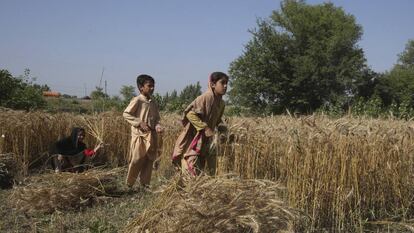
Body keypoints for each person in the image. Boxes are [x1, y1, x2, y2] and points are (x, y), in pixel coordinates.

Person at [172, 72, 229, 176]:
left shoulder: (221, 103)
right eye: (222, 83)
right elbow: (190, 113)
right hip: (194, 137)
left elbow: (217, 120)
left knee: (202, 166)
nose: (225, 86)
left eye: (227, 83)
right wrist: (205, 127)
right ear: (212, 84)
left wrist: (223, 131)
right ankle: (187, 189)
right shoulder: (206, 97)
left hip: (207, 139)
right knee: (191, 165)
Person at [123, 74, 163, 188]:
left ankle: (145, 184)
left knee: (149, 160)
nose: (152, 88)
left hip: (151, 135)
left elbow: (156, 119)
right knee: (136, 159)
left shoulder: (153, 102)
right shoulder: (138, 100)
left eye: (153, 86)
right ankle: (129, 184)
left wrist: (158, 126)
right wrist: (139, 123)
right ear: (141, 87)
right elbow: (126, 114)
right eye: (149, 86)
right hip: (139, 135)